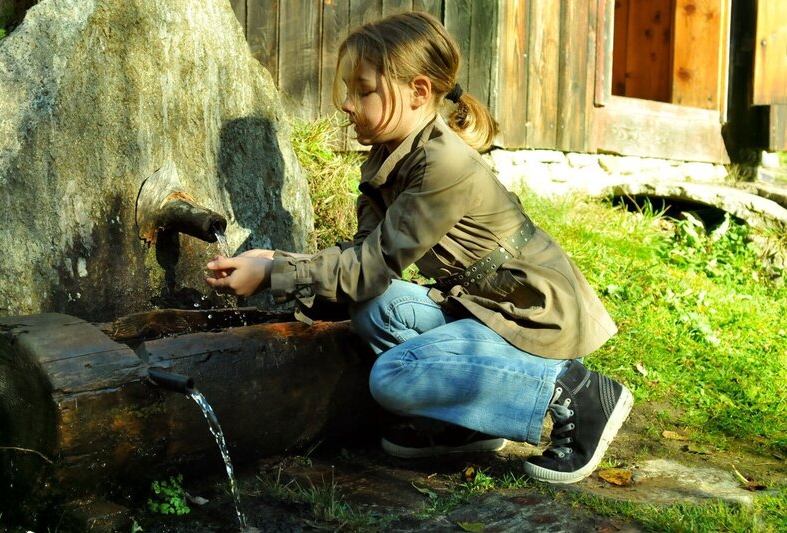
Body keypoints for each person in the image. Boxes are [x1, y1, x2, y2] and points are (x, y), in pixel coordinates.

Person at [205, 11, 632, 484]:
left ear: (419, 92)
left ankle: (576, 391)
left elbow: (371, 265)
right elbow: (366, 262)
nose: (347, 104)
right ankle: (460, 424)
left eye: (363, 90)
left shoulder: (442, 164)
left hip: (532, 313)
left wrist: (273, 273)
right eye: (347, 90)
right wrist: (276, 262)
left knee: (392, 376)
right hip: (485, 308)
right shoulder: (389, 156)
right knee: (375, 310)